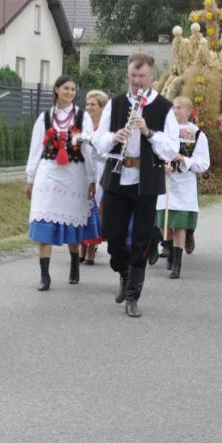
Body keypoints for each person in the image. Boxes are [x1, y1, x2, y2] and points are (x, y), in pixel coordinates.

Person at [93, 52, 180, 318]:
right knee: (113, 234)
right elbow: (98, 141)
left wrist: (148, 132)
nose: (137, 82)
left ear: (152, 75)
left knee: (140, 239)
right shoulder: (117, 103)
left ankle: (133, 294)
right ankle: (123, 271)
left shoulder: (164, 107)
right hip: (118, 177)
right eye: (132, 76)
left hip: (146, 180)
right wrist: (114, 137)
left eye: (141, 76)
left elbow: (171, 148)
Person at [25, 75, 98, 290]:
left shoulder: (82, 117)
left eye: (73, 89)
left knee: (73, 220)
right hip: (48, 172)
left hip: (74, 174)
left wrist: (92, 179)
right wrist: (30, 178)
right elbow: (36, 149)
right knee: (43, 218)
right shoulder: (45, 117)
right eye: (66, 88)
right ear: (57, 90)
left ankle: (75, 263)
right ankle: (44, 275)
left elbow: (88, 149)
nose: (70, 93)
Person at [155, 96, 210, 279]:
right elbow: (155, 153)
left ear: (188, 111)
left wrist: (183, 160)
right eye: (173, 108)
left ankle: (177, 263)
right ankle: (169, 250)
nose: (176, 111)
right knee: (165, 223)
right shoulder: (163, 132)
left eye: (179, 108)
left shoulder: (197, 134)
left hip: (185, 183)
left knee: (179, 224)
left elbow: (203, 163)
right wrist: (162, 165)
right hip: (166, 181)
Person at [79, 90, 109, 265]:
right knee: (83, 206)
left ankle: (91, 247)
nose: (89, 108)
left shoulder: (106, 126)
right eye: (87, 104)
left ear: (102, 107)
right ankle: (83, 246)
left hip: (101, 169)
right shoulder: (82, 123)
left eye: (93, 105)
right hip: (84, 168)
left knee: (97, 207)